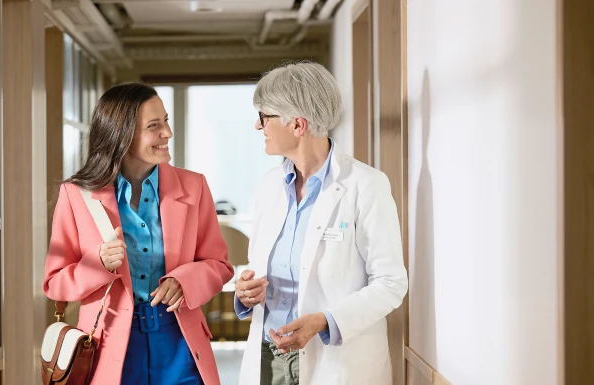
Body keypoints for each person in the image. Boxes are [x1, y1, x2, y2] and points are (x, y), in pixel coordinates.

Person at [43, 82, 234, 385]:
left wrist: (184, 280)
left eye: (166, 122)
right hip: (109, 348)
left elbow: (219, 265)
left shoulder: (194, 186)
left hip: (179, 343)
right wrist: (98, 263)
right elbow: (55, 284)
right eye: (154, 126)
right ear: (121, 134)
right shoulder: (76, 195)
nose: (167, 134)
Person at [234, 62, 408, 385]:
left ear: (298, 124)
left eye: (264, 117)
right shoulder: (269, 186)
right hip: (270, 357)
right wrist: (245, 292)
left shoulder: (366, 185)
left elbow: (391, 282)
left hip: (336, 362)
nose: (259, 127)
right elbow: (259, 268)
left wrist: (325, 321)